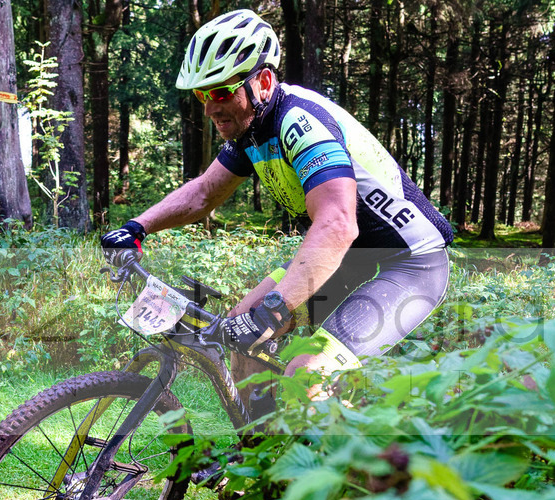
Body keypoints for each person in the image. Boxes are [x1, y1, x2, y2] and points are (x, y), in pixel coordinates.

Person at [102, 8, 453, 415]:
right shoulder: (251, 130)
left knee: (306, 378)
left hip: (407, 266)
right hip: (349, 259)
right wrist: (135, 227)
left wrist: (276, 307)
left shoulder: (299, 123)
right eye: (201, 95)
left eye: (219, 92)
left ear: (263, 81)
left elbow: (337, 224)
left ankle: (335, 473)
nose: (209, 108)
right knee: (242, 330)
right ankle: (261, 465)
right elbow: (203, 194)